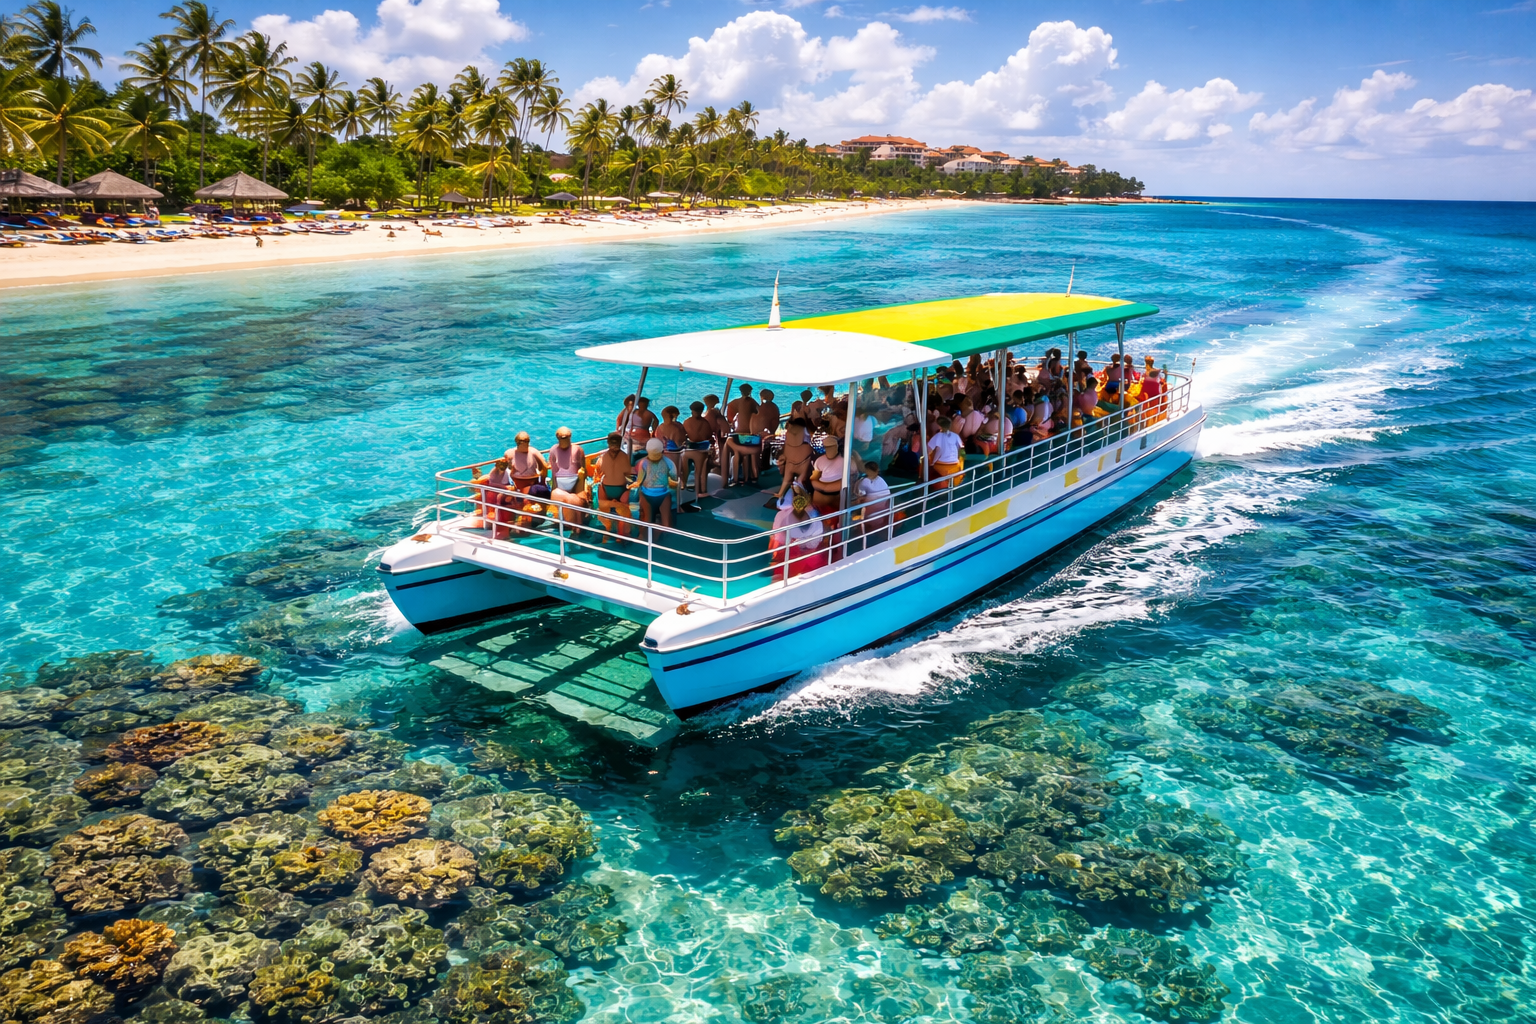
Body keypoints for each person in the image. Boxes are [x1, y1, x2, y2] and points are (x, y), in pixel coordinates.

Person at [591, 432, 634, 541]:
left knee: (623, 510)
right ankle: (608, 530)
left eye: (616, 443)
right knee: (604, 507)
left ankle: (619, 533)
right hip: (607, 489)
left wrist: (629, 487)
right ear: (609, 443)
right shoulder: (603, 458)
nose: (614, 446)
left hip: (620, 490)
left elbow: (628, 476)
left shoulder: (619, 458)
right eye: (612, 443)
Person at [633, 438, 679, 528]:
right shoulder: (669, 462)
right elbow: (674, 480)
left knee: (646, 522)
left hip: (646, 495)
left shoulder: (643, 463)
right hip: (664, 495)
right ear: (662, 450)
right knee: (667, 525)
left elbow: (639, 481)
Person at [781, 492, 828, 578]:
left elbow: (784, 535)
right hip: (810, 548)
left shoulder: (785, 519)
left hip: (798, 547)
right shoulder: (815, 516)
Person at [678, 401, 714, 509]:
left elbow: (683, 437)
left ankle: (684, 484)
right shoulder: (706, 423)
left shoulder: (687, 422)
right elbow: (709, 436)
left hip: (691, 450)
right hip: (702, 450)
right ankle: (700, 490)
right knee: (699, 471)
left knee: (684, 459)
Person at [776, 418, 815, 500]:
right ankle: (801, 490)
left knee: (786, 479)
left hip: (790, 462)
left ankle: (780, 494)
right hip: (803, 462)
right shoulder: (805, 433)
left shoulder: (789, 434)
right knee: (801, 479)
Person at [856, 459, 892, 541]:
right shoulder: (882, 481)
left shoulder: (864, 481)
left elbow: (860, 498)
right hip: (883, 509)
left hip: (872, 509)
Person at [927, 414, 964, 490]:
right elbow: (960, 448)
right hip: (955, 466)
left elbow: (927, 451)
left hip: (941, 467)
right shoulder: (955, 436)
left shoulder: (937, 436)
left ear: (939, 426)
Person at [810, 440, 845, 513]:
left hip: (836, 495)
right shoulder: (820, 460)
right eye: (827, 448)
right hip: (820, 498)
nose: (829, 450)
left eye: (831, 447)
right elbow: (814, 477)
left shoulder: (846, 460)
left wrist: (819, 485)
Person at [655, 405, 688, 472]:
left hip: (663, 453)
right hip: (675, 454)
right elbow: (680, 442)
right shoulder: (677, 428)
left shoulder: (659, 428)